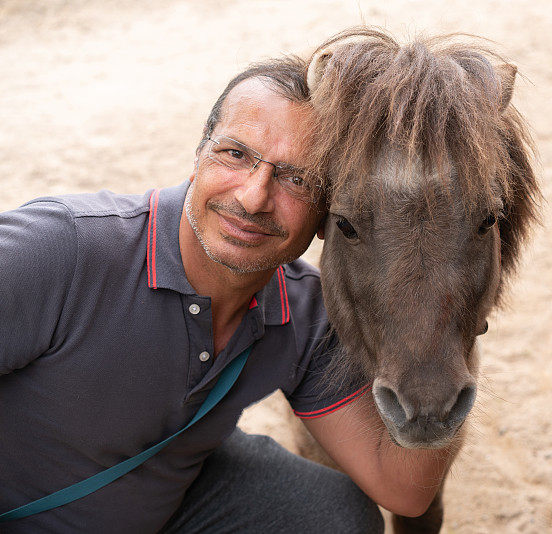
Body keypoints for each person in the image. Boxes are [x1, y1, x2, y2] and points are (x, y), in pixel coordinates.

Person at [0, 55, 455, 533]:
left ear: (329, 215)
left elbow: (404, 488)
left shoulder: (306, 315)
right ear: (199, 153)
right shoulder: (60, 249)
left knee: (333, 519)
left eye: (296, 179)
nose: (254, 197)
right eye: (236, 154)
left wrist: (444, 326)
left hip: (164, 503)